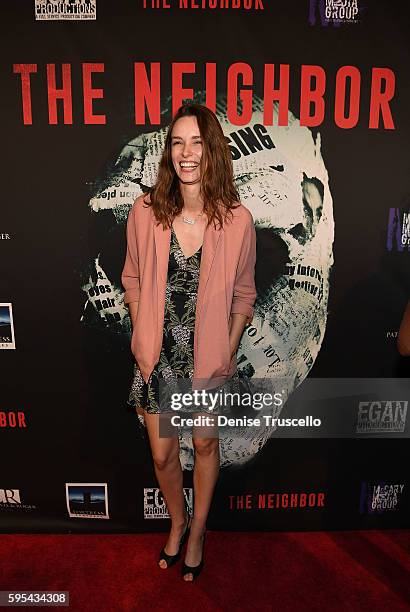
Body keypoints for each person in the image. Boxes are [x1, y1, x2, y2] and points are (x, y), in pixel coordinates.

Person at [121, 102, 257, 581]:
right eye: (177, 142)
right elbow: (132, 280)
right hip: (157, 358)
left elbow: (244, 294)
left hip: (207, 362)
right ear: (168, 152)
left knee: (203, 445)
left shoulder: (238, 221)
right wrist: (142, 337)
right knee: (161, 454)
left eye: (197, 141)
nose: (186, 152)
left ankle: (198, 531)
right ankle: (177, 522)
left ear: (212, 150)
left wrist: (228, 345)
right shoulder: (145, 212)